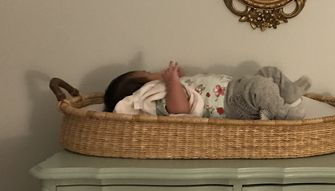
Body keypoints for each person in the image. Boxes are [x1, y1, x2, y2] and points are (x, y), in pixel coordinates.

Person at [103, 62, 311, 120]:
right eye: (147, 73)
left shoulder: (164, 89)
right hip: (230, 104)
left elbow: (186, 95)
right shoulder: (150, 98)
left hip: (234, 88)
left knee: (267, 72)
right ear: (141, 87)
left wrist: (178, 79)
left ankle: (289, 93)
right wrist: (173, 82)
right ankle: (287, 113)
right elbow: (180, 109)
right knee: (260, 87)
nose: (154, 73)